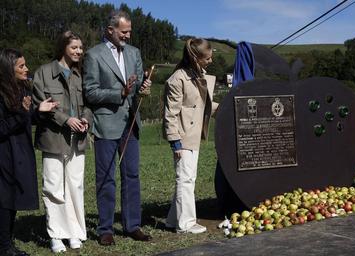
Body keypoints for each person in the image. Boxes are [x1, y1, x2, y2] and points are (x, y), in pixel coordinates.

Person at [83, 11, 152, 244]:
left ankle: (132, 225)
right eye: (124, 32)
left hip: (131, 123)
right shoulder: (93, 55)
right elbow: (90, 92)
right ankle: (105, 229)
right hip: (106, 124)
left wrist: (144, 87)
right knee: (106, 177)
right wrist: (119, 93)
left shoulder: (134, 53)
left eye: (130, 31)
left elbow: (140, 85)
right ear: (110, 30)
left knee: (132, 175)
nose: (128, 35)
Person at [32, 31, 92, 253]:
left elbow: (88, 104)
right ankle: (56, 234)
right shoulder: (44, 73)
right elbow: (41, 104)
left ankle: (74, 232)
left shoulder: (80, 75)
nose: (79, 51)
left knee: (75, 186)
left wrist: (85, 119)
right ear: (63, 47)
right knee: (53, 187)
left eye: (80, 48)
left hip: (78, 140)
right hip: (53, 139)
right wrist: (67, 120)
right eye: (74, 47)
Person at [0, 48, 58, 256]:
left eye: (25, 65)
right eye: (21, 66)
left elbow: (27, 119)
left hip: (20, 151)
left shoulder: (23, 89)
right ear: (8, 69)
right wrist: (22, 114)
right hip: (5, 153)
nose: (27, 69)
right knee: (4, 200)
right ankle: (4, 247)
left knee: (13, 198)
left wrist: (38, 111)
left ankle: (6, 244)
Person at [163, 38, 218, 233]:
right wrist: (175, 141)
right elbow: (171, 113)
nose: (210, 61)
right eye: (207, 58)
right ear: (195, 57)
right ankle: (185, 224)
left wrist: (225, 108)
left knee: (188, 178)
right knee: (185, 179)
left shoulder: (198, 74)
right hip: (182, 135)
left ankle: (172, 219)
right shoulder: (178, 78)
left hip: (194, 134)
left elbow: (202, 106)